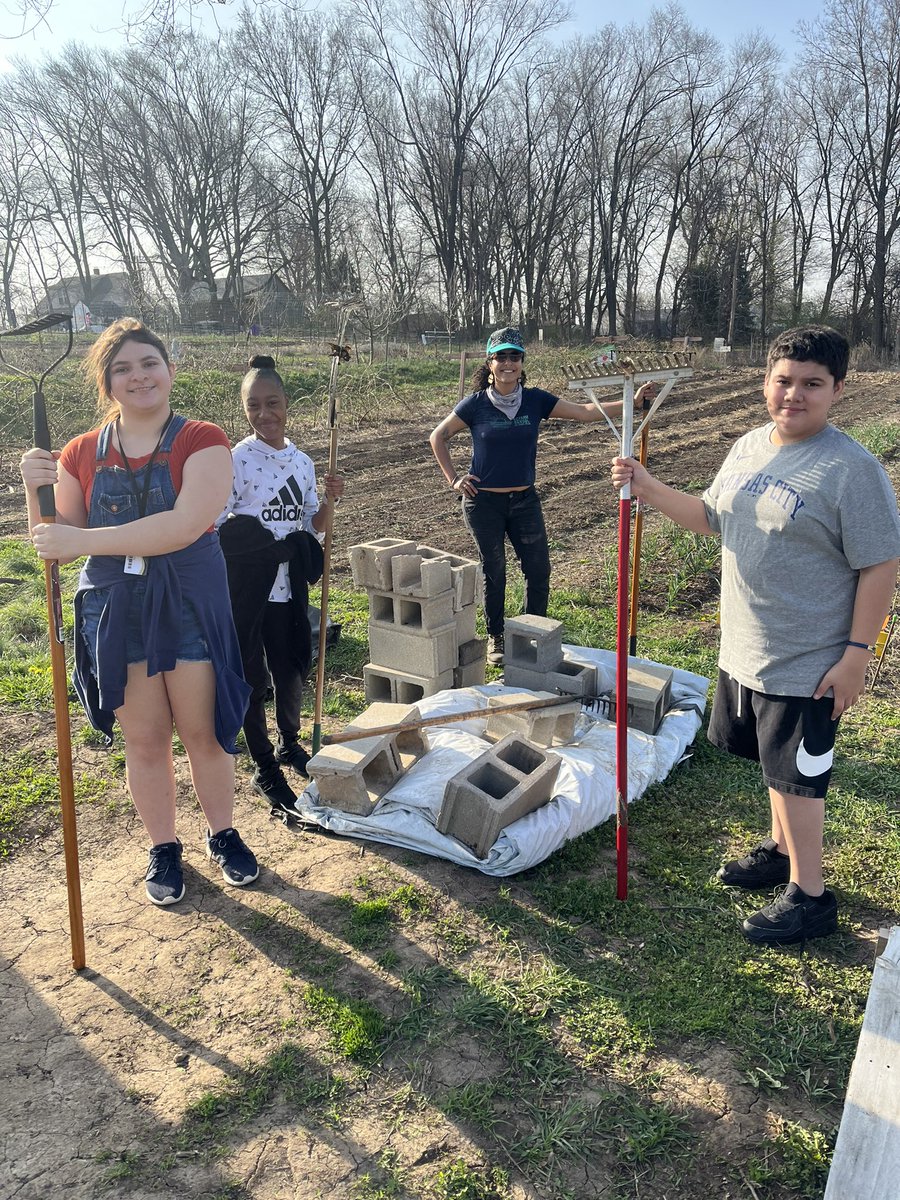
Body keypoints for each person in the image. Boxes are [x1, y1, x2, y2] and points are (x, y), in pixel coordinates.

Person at [611, 325, 900, 946]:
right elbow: (710, 518)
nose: (794, 395)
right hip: (746, 646)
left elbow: (881, 565)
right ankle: (779, 850)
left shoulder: (851, 470)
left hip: (809, 656)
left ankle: (811, 894)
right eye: (784, 381)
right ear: (766, 383)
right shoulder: (747, 447)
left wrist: (857, 655)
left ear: (837, 390)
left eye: (812, 384)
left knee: (798, 777)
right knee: (772, 766)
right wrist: (646, 484)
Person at [20, 318, 259, 907]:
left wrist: (85, 542)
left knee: (204, 732)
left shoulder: (202, 440)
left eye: (148, 362)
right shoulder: (80, 453)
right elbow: (57, 536)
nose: (138, 376)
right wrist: (33, 487)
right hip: (117, 611)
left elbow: (182, 528)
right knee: (146, 741)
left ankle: (223, 834)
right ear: (107, 384)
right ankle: (164, 847)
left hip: (187, 603)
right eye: (122, 368)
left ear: (169, 370)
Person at [430, 326, 648, 664]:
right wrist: (454, 479)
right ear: (490, 363)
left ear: (521, 362)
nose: (508, 363)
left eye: (514, 356)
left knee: (538, 568)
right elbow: (438, 436)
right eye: (501, 357)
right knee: (495, 569)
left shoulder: (536, 400)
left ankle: (533, 633)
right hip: (483, 503)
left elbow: (584, 412)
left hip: (524, 501)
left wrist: (630, 403)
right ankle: (498, 638)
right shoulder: (474, 405)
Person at [218, 355, 344, 818]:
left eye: (272, 403)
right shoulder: (235, 459)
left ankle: (291, 744)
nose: (264, 414)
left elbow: (315, 528)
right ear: (244, 409)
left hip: (290, 588)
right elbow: (219, 523)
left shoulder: (304, 462)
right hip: (249, 589)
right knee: (252, 674)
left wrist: (330, 501)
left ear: (287, 404)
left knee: (290, 665)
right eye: (254, 405)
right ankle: (263, 763)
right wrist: (256, 545)